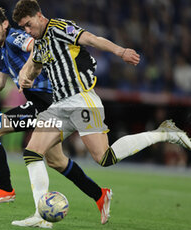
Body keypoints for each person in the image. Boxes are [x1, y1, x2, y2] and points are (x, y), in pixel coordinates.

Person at [0, 6, 112, 228]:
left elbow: (34, 46)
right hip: (41, 104)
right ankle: (99, 194)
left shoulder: (14, 37)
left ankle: (6, 189)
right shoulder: (1, 49)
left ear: (5, 24)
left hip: (47, 102)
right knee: (56, 161)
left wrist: (29, 71)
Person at [12, 0, 191, 179]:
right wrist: (27, 78)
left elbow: (91, 38)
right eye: (23, 27)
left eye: (28, 24)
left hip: (81, 99)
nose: (27, 30)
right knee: (32, 152)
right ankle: (40, 207)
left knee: (103, 157)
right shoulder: (39, 44)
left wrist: (120, 51)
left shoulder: (60, 27)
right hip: (58, 105)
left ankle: (163, 133)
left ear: (39, 16)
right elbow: (35, 66)